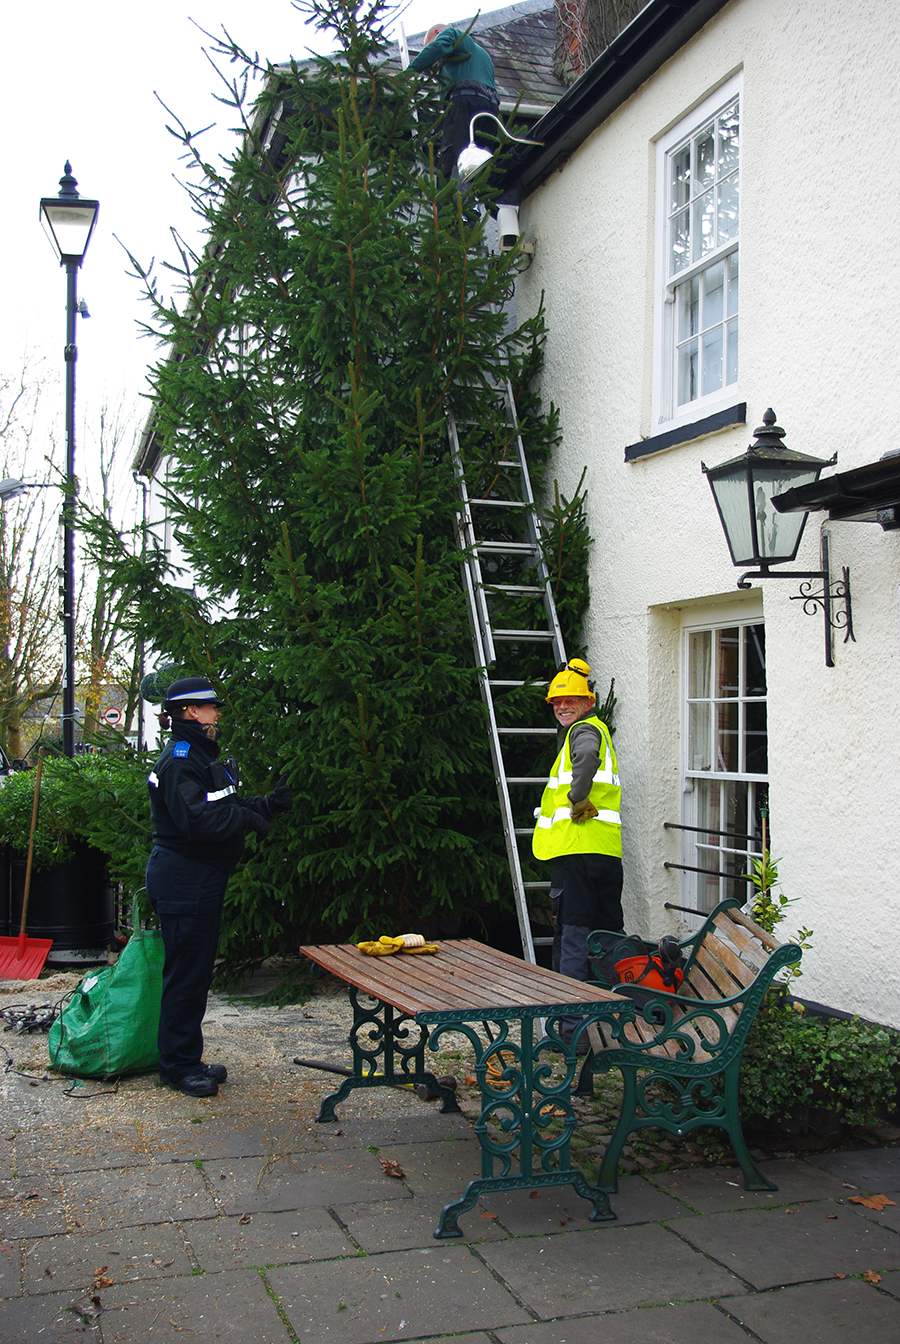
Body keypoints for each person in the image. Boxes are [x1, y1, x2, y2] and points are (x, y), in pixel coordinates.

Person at [146, 676, 293, 1097]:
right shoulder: (179, 761)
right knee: (186, 976)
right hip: (183, 878)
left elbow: (222, 805)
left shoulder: (200, 756)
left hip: (197, 879)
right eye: (212, 707)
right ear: (191, 712)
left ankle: (186, 1058)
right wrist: (247, 821)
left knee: (194, 974)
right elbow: (197, 822)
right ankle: (177, 1066)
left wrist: (266, 806)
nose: (218, 713)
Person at [532, 658, 625, 1001]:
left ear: (589, 703)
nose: (562, 706)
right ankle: (622, 1008)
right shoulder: (599, 729)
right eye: (557, 701)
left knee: (572, 937)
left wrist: (575, 797)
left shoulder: (583, 731)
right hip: (605, 853)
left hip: (576, 853)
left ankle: (571, 1030)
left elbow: (586, 758)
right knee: (609, 934)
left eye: (571, 700)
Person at [410, 23, 501, 182]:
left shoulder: (453, 34)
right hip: (491, 109)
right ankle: (480, 200)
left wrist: (408, 73)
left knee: (453, 158)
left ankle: (451, 199)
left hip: (465, 102)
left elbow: (439, 46)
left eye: (428, 45)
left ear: (437, 32)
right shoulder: (480, 54)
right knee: (480, 161)